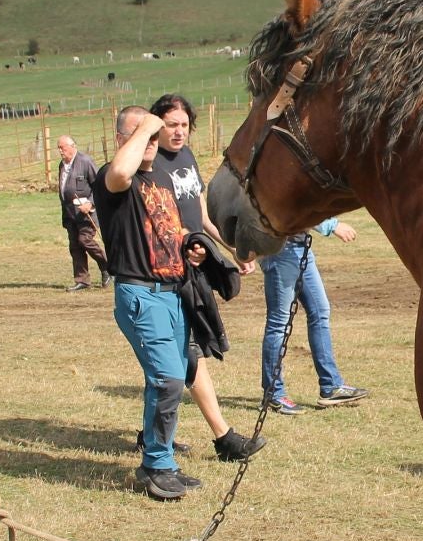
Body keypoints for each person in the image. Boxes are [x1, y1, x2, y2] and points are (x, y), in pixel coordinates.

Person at [144, 93, 264, 462]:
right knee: (188, 353)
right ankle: (224, 437)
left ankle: (151, 435)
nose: (179, 132)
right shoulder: (149, 165)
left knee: (173, 357)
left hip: (194, 264)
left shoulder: (186, 158)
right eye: (171, 125)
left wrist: (229, 250)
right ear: (155, 126)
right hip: (165, 271)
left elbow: (199, 215)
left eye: (184, 125)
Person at [93, 106, 201, 500]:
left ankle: (163, 458)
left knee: (170, 377)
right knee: (168, 379)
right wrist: (148, 126)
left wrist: (192, 249)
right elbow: (122, 172)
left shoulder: (160, 180)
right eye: (142, 134)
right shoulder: (112, 177)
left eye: (155, 136)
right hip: (141, 295)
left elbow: (171, 231)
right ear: (122, 139)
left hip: (173, 294)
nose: (152, 141)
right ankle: (156, 465)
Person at [262, 219, 369, 415]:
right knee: (279, 323)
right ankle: (273, 394)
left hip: (301, 249)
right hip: (280, 250)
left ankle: (331, 387)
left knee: (320, 312)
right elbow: (300, 205)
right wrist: (332, 226)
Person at [56, 134, 106, 291]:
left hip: (87, 213)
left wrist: (89, 202)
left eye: (62, 147)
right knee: (75, 246)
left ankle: (107, 268)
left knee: (85, 240)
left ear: (72, 146)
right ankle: (82, 280)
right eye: (58, 148)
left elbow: (99, 185)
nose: (60, 151)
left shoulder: (85, 162)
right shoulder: (62, 165)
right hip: (70, 213)